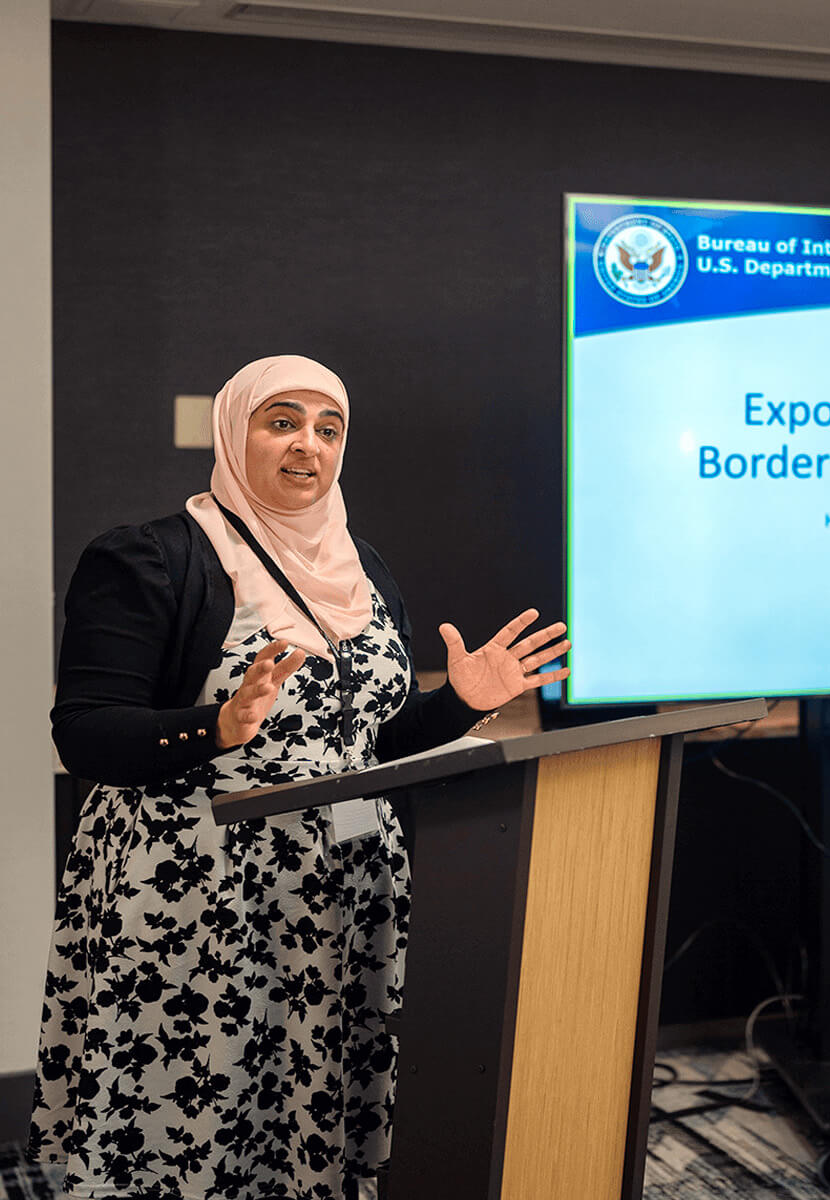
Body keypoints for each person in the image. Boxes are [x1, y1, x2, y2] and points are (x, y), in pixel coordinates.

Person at [29, 355, 570, 1199]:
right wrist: (215, 726)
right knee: (192, 1122)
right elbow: (85, 735)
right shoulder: (150, 559)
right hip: (196, 901)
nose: (306, 445)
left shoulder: (361, 569)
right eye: (280, 421)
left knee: (307, 1123)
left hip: (342, 894)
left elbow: (369, 746)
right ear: (232, 430)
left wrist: (461, 704)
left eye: (329, 428)